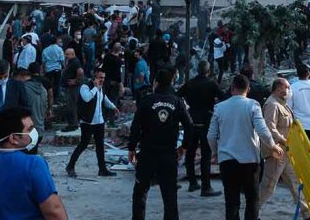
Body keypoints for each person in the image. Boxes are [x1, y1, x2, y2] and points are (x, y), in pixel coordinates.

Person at [208, 74, 283, 220]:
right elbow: (262, 131)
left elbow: (211, 135)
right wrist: (273, 146)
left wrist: (215, 152)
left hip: (227, 161)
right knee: (252, 199)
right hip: (250, 161)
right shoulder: (253, 105)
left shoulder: (219, 107)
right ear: (248, 89)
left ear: (231, 88)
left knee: (231, 201)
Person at [129, 68, 193, 220]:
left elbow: (135, 127)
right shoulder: (177, 102)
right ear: (171, 82)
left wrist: (131, 148)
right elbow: (189, 126)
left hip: (147, 153)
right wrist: (183, 146)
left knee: (140, 192)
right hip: (168, 154)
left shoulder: (147, 100)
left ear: (156, 83)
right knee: (170, 196)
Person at [258, 78, 310, 219]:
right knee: (268, 186)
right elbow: (269, 128)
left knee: (294, 183)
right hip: (277, 151)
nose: (289, 90)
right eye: (287, 87)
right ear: (278, 88)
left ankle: (307, 213)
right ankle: (253, 211)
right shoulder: (272, 105)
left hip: (286, 151)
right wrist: (284, 140)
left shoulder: (282, 104)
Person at [176, 60, 223, 196]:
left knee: (190, 152)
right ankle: (206, 186)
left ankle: (192, 183)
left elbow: (177, 96)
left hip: (191, 120)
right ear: (208, 70)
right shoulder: (211, 84)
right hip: (206, 120)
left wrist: (186, 108)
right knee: (206, 154)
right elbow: (224, 97)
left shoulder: (190, 83)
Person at [67, 68, 119, 177]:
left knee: (100, 145)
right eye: (100, 77)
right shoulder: (85, 87)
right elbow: (87, 98)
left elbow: (104, 98)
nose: (102, 80)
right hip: (87, 121)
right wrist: (95, 87)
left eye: (103, 78)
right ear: (94, 77)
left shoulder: (101, 88)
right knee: (83, 144)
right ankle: (70, 166)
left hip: (99, 121)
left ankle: (102, 169)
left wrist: (114, 107)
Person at [14, 68, 47, 153]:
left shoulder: (23, 88)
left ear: (20, 76)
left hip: (26, 132)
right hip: (39, 130)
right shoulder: (43, 88)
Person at [61, 48, 84, 132]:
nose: (65, 56)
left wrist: (76, 81)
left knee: (71, 106)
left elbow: (80, 72)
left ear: (72, 54)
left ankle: (73, 124)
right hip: (69, 87)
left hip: (73, 88)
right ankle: (72, 124)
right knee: (70, 106)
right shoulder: (71, 61)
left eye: (67, 54)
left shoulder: (75, 62)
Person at [101, 42, 124, 126]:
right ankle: (111, 121)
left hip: (106, 82)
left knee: (105, 100)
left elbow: (103, 69)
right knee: (113, 101)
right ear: (120, 49)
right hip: (114, 84)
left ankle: (103, 119)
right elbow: (118, 75)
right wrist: (121, 86)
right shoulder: (118, 60)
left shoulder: (107, 56)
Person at [42, 37, 65, 101]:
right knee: (57, 84)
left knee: (48, 85)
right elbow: (62, 60)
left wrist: (43, 70)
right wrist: (64, 67)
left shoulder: (45, 50)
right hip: (57, 69)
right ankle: (55, 98)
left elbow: (44, 62)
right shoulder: (59, 49)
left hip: (48, 69)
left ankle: (47, 97)